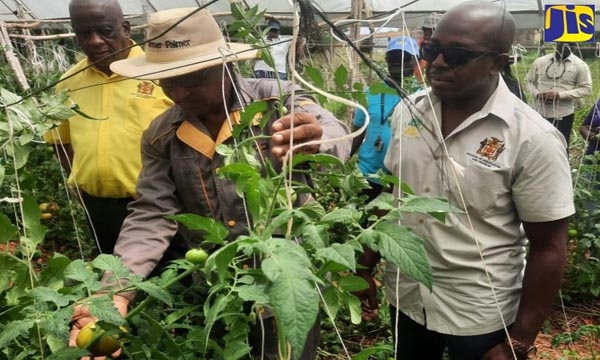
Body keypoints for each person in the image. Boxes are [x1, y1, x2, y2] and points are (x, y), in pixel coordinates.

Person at [67, 7, 351, 360]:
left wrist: (317, 139)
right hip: (217, 288)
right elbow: (153, 212)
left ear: (226, 64)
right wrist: (116, 292)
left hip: (285, 283)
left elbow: (334, 130)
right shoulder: (162, 135)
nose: (179, 94)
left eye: (190, 79)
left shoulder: (277, 100)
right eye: (167, 81)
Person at [357, 2, 574, 359]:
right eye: (432, 49)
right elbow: (390, 198)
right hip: (408, 295)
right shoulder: (407, 112)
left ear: (497, 62)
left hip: (479, 312)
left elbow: (549, 246)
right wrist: (365, 265)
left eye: (457, 54)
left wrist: (519, 340)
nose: (438, 63)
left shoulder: (533, 139)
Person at [44, 0, 173, 254]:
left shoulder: (159, 71)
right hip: (100, 207)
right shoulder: (68, 83)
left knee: (172, 280)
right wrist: (80, 184)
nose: (95, 41)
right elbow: (60, 141)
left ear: (125, 28)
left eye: (105, 31)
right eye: (84, 33)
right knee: (115, 280)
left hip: (160, 204)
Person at [351, 35, 419, 201]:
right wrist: (339, 161)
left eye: (404, 58)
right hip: (368, 172)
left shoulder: (422, 97)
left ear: (416, 61)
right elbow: (357, 132)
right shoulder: (370, 92)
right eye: (393, 57)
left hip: (403, 177)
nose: (397, 63)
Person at [526, 42, 592, 147]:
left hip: (563, 115)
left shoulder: (580, 65)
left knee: (560, 146)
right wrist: (537, 94)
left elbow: (587, 89)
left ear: (575, 46)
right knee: (535, 146)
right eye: (563, 44)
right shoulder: (540, 62)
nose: (567, 47)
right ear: (556, 44)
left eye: (571, 44)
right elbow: (528, 82)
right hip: (538, 112)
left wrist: (560, 95)